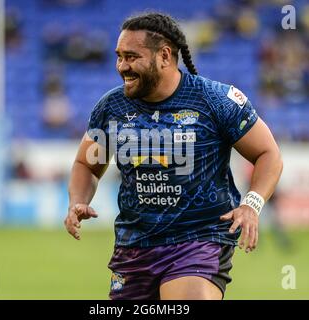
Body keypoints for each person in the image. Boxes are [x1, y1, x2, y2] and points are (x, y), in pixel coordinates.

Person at [65, 12, 283, 300]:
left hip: (199, 239)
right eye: (118, 56)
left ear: (165, 56)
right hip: (135, 246)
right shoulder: (112, 108)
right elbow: (87, 165)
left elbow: (268, 153)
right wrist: (78, 201)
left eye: (131, 57)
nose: (122, 66)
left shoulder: (215, 100)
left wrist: (251, 204)